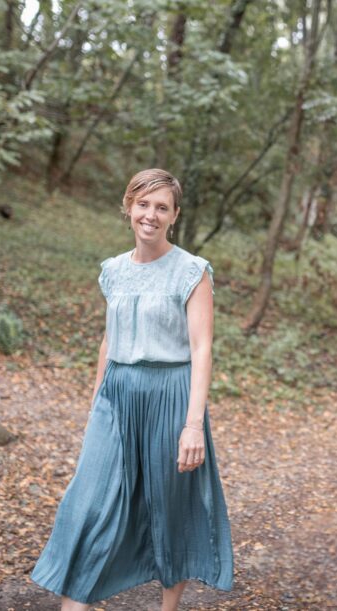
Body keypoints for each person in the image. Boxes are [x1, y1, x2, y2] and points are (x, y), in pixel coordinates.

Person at [30, 169, 233, 610]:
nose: (151, 215)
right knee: (87, 504)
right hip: (117, 397)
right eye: (143, 204)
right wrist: (96, 403)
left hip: (171, 397)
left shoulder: (191, 271)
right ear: (128, 207)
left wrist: (192, 425)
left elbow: (202, 348)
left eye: (162, 207)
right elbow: (109, 340)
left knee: (170, 506)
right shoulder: (112, 271)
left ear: (174, 215)